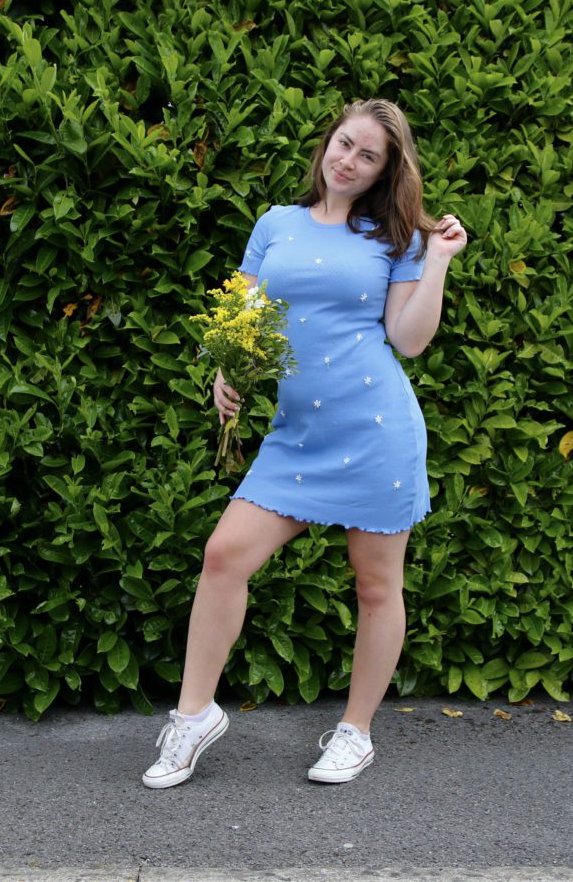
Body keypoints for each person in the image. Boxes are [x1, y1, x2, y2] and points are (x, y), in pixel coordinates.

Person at [143, 98, 469, 788]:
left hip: (376, 430)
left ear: (385, 170)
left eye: (367, 155)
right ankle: (194, 715)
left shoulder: (399, 236)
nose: (348, 161)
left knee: (377, 585)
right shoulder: (275, 224)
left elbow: (408, 340)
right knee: (224, 555)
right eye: (343, 144)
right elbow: (247, 311)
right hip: (297, 436)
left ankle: (355, 732)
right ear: (327, 142)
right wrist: (228, 369)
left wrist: (437, 259)